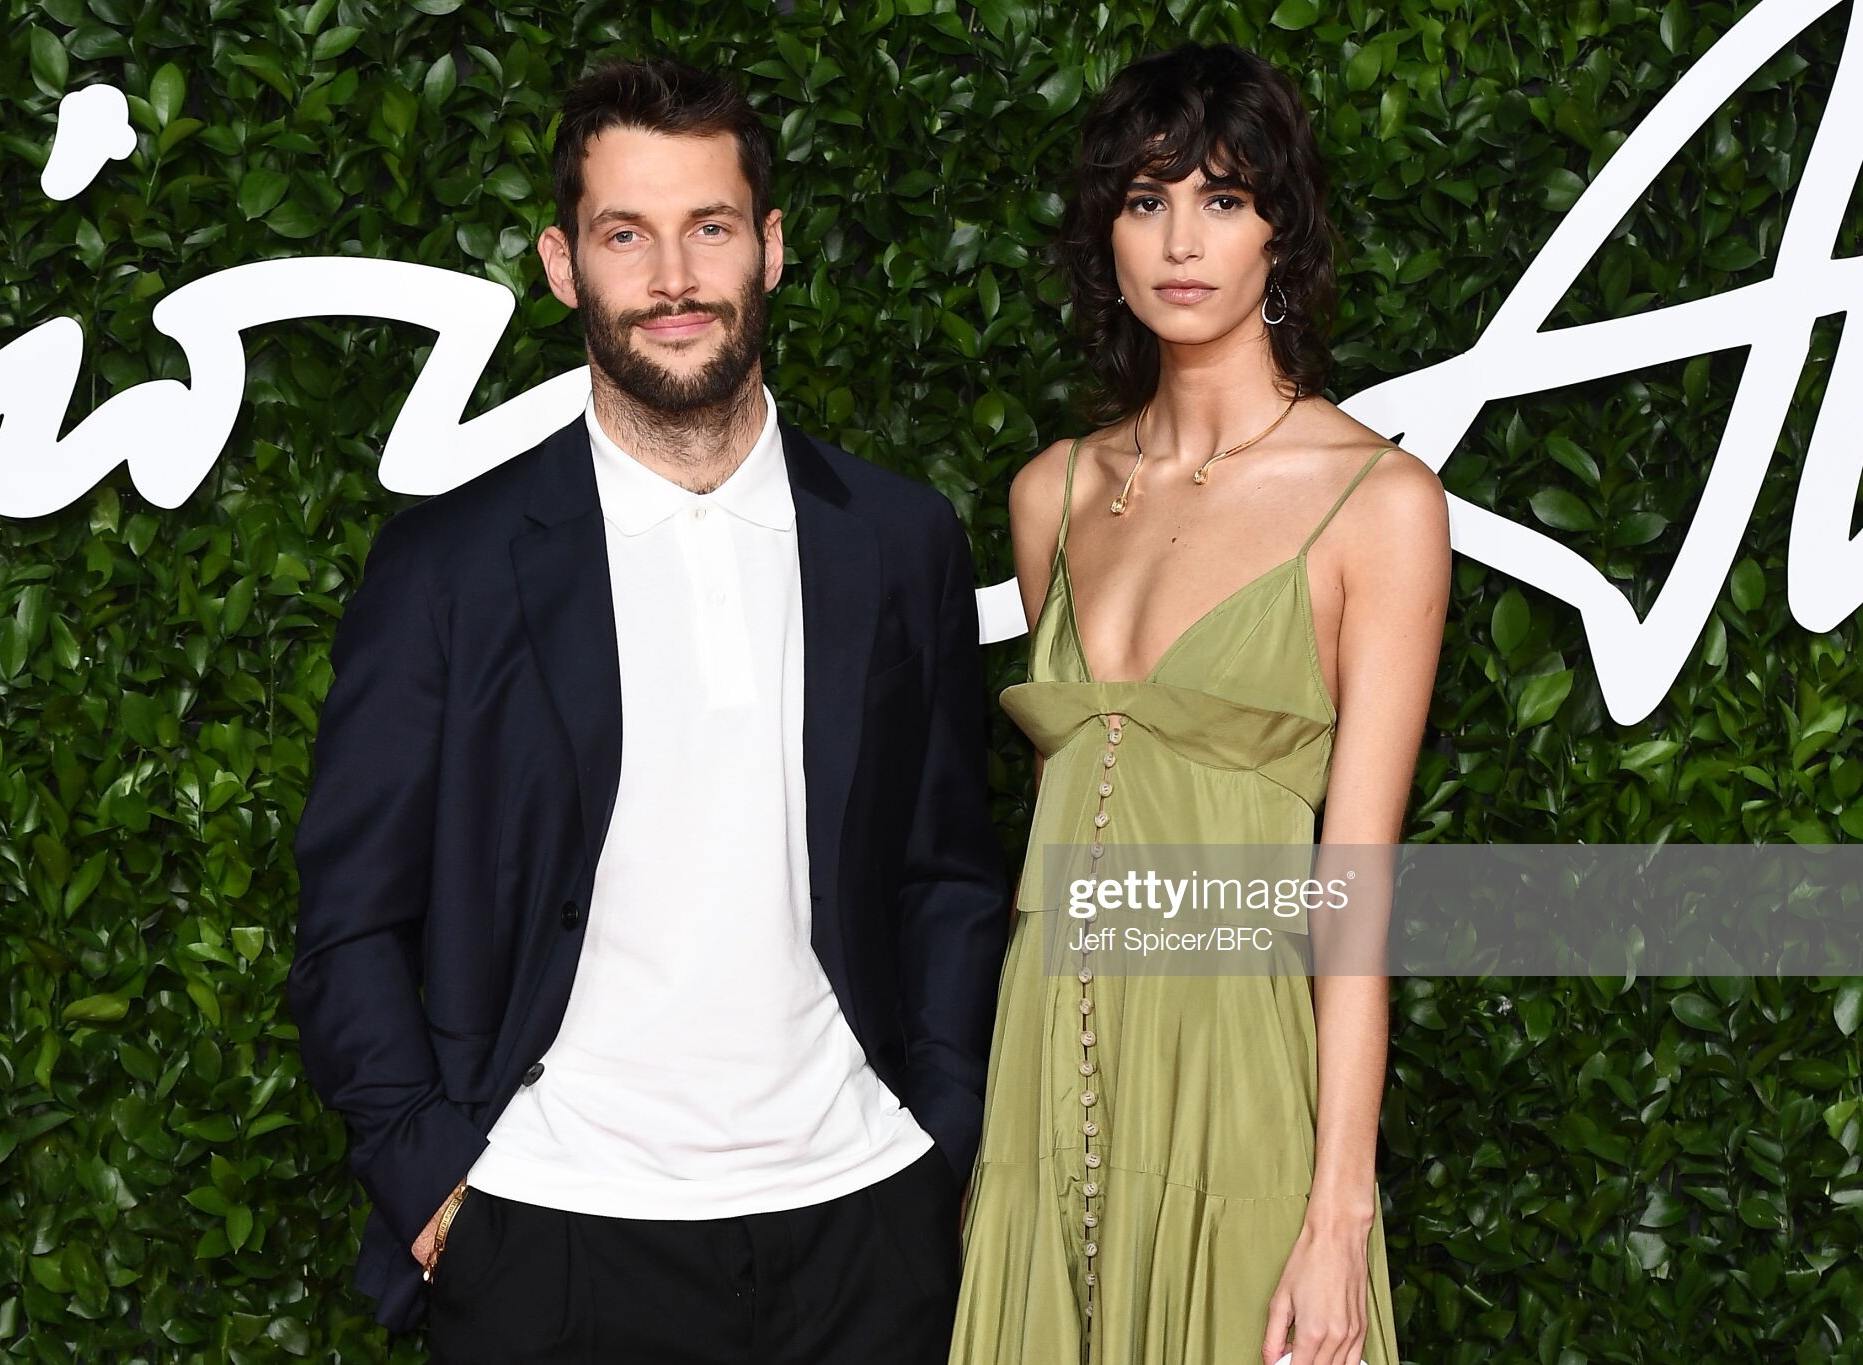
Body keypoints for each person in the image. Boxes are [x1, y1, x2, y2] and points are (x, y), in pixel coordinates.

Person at [287, 57, 1007, 1363]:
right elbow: (349, 922)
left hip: (860, 1225)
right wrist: (433, 1183)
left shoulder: (899, 540)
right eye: (626, 234)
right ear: (563, 264)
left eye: (709, 227)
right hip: (550, 1236)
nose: (674, 277)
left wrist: (938, 1136)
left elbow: (946, 869)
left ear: (770, 247)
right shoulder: (450, 568)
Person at [949, 43, 1449, 1365]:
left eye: (1223, 200)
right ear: (1105, 234)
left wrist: (1338, 1211)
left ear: (1281, 233)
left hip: (1240, 1078)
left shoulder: (1379, 504)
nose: (1181, 241)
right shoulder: (1051, 495)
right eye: (1146, 200)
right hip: (1047, 1072)